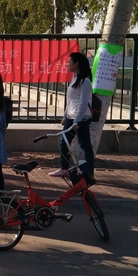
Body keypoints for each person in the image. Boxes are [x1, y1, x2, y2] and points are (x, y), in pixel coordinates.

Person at [49, 52, 95, 182]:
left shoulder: (85, 81)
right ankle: (64, 169)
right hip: (71, 116)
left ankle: (89, 174)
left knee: (85, 145)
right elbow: (70, 101)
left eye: (69, 62)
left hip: (81, 119)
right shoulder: (74, 79)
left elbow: (83, 103)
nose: (67, 64)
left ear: (76, 63)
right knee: (63, 142)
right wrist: (65, 116)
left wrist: (77, 121)